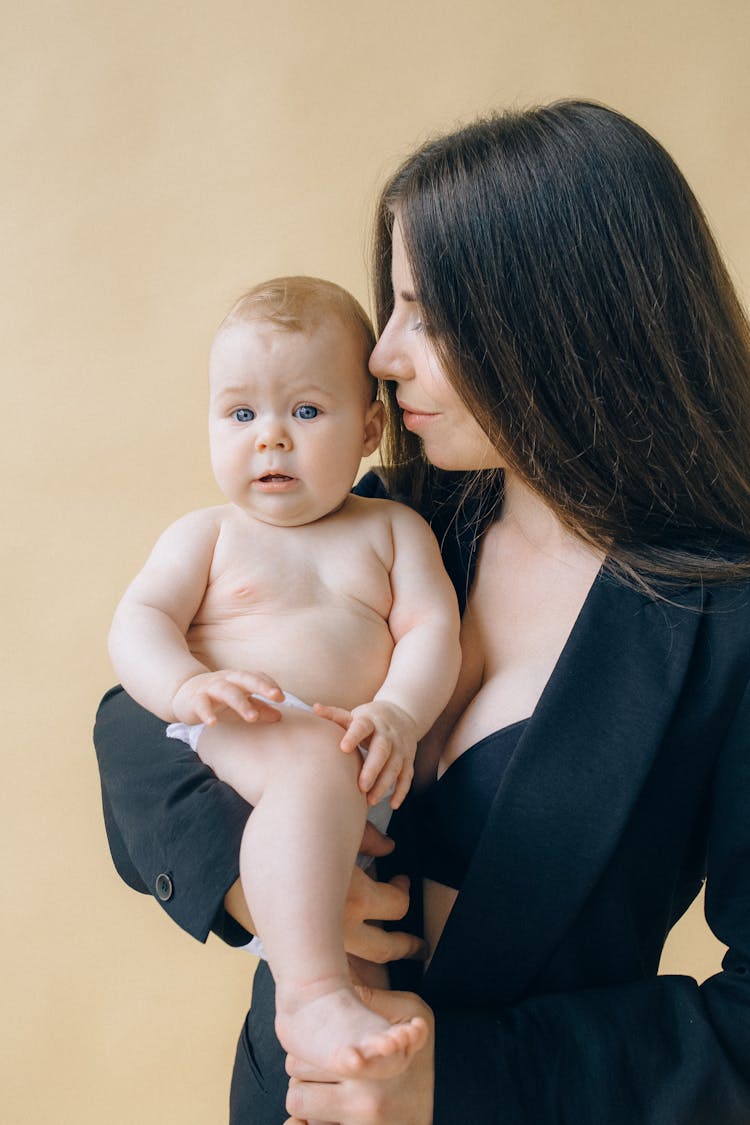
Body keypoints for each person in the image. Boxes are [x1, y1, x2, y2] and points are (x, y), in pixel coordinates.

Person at [94, 99, 750, 1125]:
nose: (384, 357)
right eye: (391, 306)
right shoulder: (386, 517)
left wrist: (466, 1079)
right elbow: (134, 719)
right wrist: (242, 875)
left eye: (428, 314)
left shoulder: (723, 617)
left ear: (563, 320)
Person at [106, 276, 461, 1078]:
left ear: (371, 427)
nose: (270, 439)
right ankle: (306, 995)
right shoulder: (208, 535)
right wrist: (185, 688)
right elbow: (139, 622)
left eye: (305, 411)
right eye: (241, 414)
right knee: (309, 774)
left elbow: (432, 630)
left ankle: (342, 1045)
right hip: (247, 730)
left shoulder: (395, 528)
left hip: (359, 755)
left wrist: (401, 711)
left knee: (363, 944)